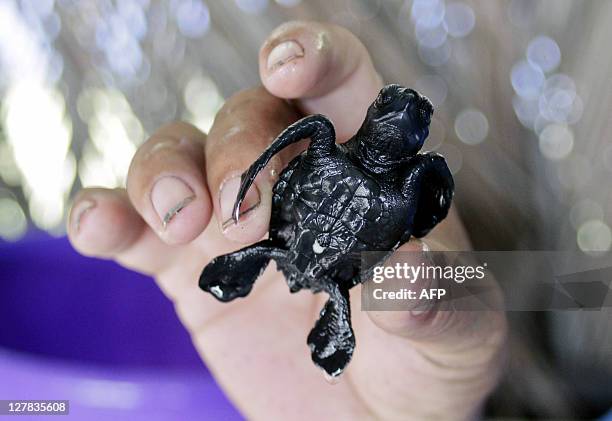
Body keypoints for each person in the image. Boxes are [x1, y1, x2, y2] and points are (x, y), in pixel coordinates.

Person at [67, 21, 507, 420]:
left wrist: (248, 176)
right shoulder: (325, 137)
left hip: (337, 282)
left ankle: (311, 303)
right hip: (285, 243)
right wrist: (249, 174)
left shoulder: (412, 182)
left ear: (420, 141)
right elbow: (289, 141)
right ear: (372, 113)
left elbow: (431, 211)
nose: (405, 107)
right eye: (392, 100)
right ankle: (250, 230)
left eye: (419, 114)